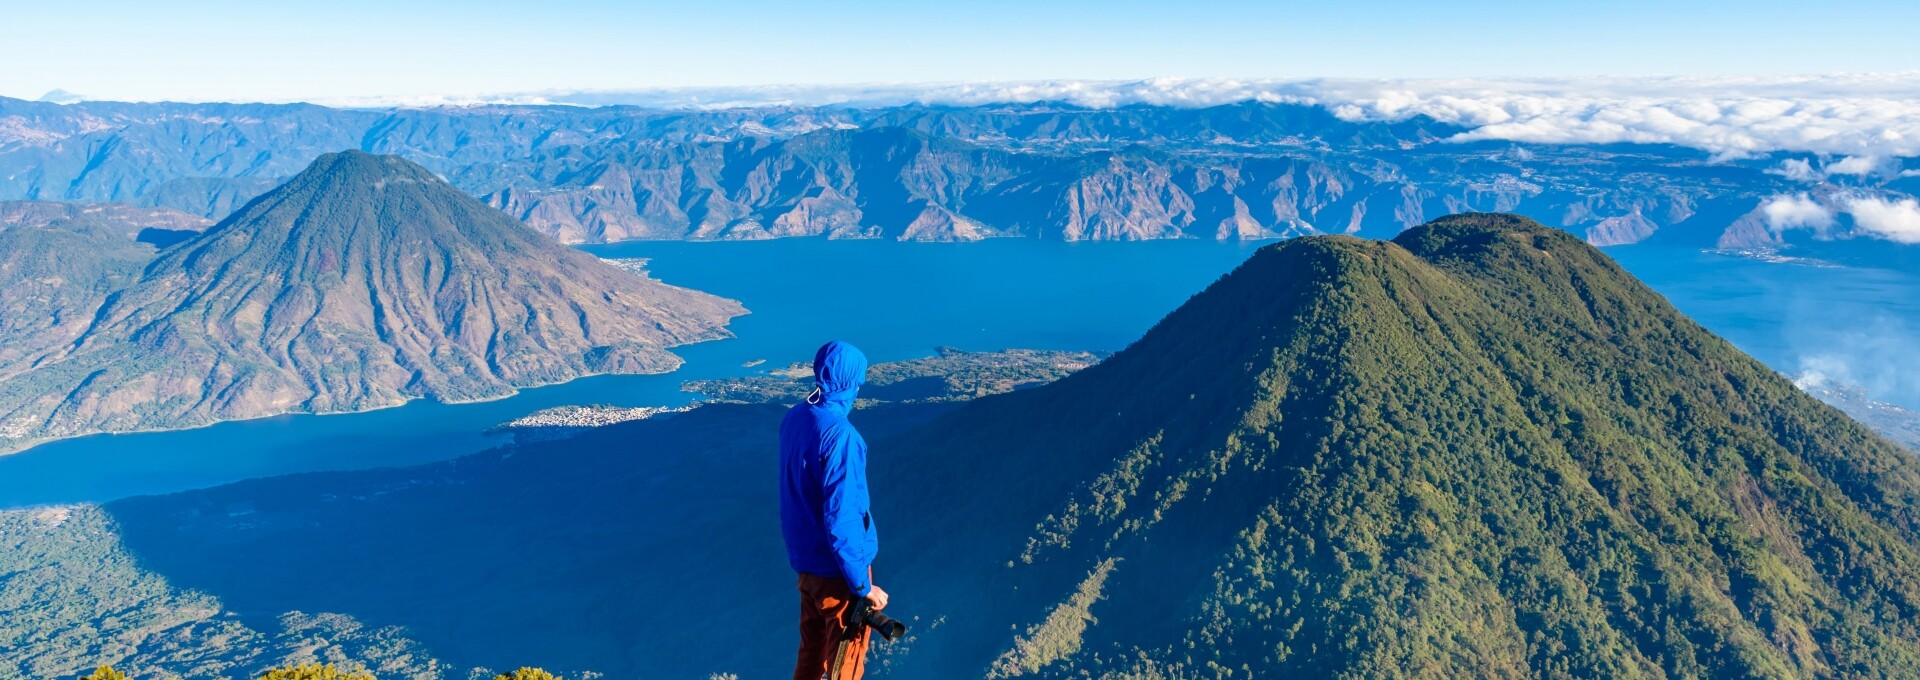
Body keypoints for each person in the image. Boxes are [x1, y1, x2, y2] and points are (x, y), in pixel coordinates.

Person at [780, 340, 887, 680]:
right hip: (837, 573)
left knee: (810, 652)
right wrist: (861, 585)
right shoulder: (841, 436)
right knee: (846, 660)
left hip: (806, 564)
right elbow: (841, 517)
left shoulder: (796, 419)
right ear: (851, 382)